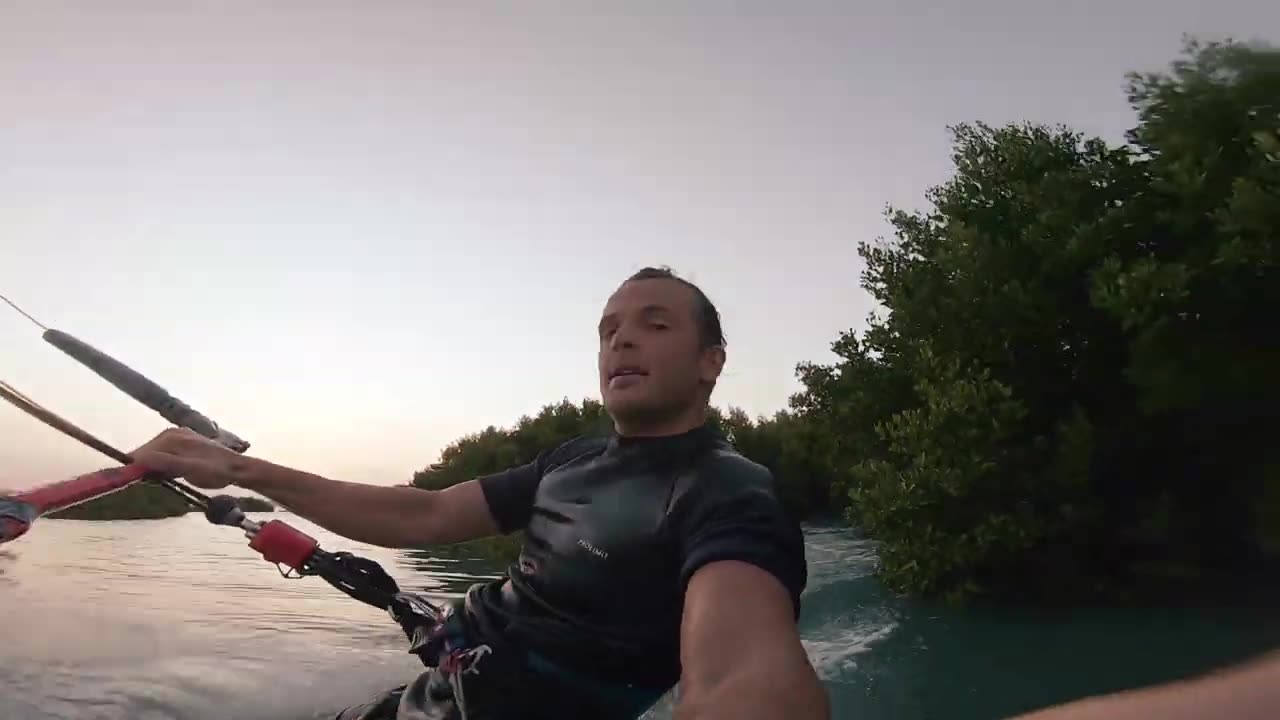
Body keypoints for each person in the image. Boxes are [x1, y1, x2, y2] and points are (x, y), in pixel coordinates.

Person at [129, 266, 830, 720]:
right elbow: (425, 512)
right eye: (608, 330)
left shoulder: (729, 492)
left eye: (654, 324)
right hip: (433, 687)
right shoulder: (573, 457)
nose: (621, 342)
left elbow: (749, 678)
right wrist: (242, 471)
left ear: (712, 364)